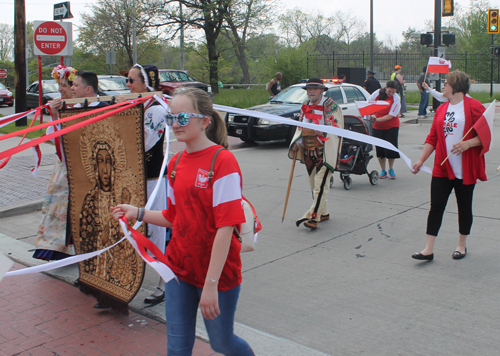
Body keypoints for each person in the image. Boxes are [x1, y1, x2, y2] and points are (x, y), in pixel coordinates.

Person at [111, 87, 255, 356]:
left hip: (217, 274)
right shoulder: (176, 163)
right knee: (177, 348)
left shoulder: (222, 161)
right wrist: (137, 212)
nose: (175, 125)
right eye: (171, 118)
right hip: (178, 269)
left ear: (204, 121)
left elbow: (226, 227)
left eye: (183, 118)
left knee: (221, 343)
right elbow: (172, 217)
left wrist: (210, 285)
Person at [411, 70, 487, 261]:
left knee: (464, 207)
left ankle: (461, 245)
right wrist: (421, 160)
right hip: (442, 168)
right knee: (436, 206)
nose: (443, 86)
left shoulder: (474, 107)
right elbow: (433, 138)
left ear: (455, 86)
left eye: (446, 83)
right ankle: (428, 249)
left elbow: (487, 136)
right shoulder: (441, 109)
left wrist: (468, 144)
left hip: (465, 169)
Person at [122, 63, 169, 304]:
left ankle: (164, 281)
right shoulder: (137, 106)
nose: (127, 85)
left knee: (156, 230)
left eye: (131, 81)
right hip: (135, 178)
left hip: (153, 179)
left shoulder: (157, 110)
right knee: (134, 228)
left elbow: (142, 143)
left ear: (145, 83)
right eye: (127, 81)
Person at [33, 65, 77, 261]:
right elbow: (55, 139)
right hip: (63, 164)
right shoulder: (64, 107)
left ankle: (61, 245)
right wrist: (55, 116)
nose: (61, 90)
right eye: (59, 86)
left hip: (73, 163)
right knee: (56, 202)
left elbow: (68, 137)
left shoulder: (78, 108)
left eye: (64, 86)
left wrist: (57, 116)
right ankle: (53, 245)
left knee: (65, 204)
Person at [288, 78, 344, 230]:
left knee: (320, 185)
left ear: (321, 90)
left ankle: (313, 217)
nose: (311, 91)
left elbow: (337, 128)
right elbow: (300, 126)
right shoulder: (305, 105)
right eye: (308, 89)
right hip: (309, 151)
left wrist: (324, 131)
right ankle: (323, 212)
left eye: (314, 88)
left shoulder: (332, 107)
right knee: (314, 186)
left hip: (325, 152)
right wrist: (296, 142)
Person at [368, 81, 401, 179]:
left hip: (391, 125)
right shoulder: (377, 93)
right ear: (386, 87)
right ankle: (383, 169)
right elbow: (369, 104)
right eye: (390, 91)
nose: (391, 93)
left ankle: (391, 168)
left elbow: (392, 115)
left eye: (393, 92)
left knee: (391, 148)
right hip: (377, 126)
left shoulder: (396, 98)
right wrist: (372, 115)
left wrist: (377, 119)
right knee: (380, 149)